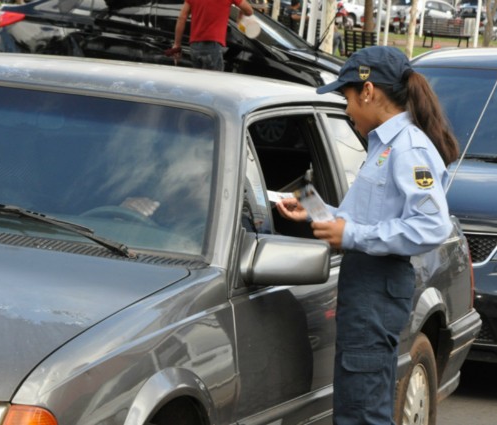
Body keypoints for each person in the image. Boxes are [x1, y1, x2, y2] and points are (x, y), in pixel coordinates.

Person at [276, 46, 459, 425]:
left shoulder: (407, 147)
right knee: (355, 405)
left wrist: (352, 234)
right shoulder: (385, 145)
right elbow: (368, 216)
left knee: (363, 412)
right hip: (367, 284)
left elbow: (431, 226)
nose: (346, 110)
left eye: (346, 98)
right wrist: (315, 210)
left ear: (368, 91)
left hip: (378, 286)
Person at [172, 0, 254, 71]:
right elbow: (249, 11)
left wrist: (177, 44)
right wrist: (240, 14)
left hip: (194, 47)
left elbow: (182, 18)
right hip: (212, 46)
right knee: (213, 84)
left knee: (199, 83)